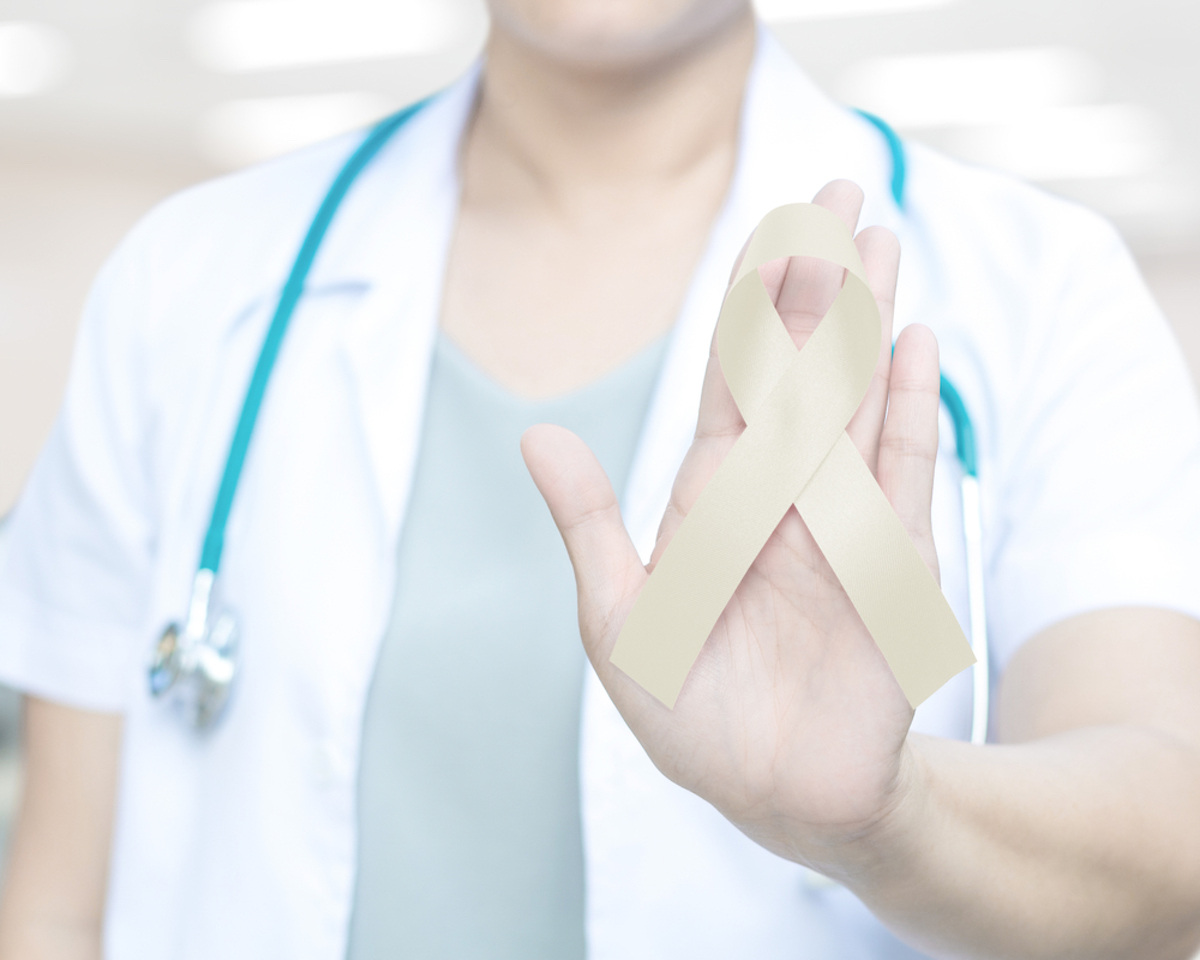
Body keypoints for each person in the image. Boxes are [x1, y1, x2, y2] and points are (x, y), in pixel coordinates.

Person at [1, 0, 1199, 957]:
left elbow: (1167, 847)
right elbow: (57, 912)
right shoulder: (191, 285)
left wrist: (894, 822)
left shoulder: (1039, 292)